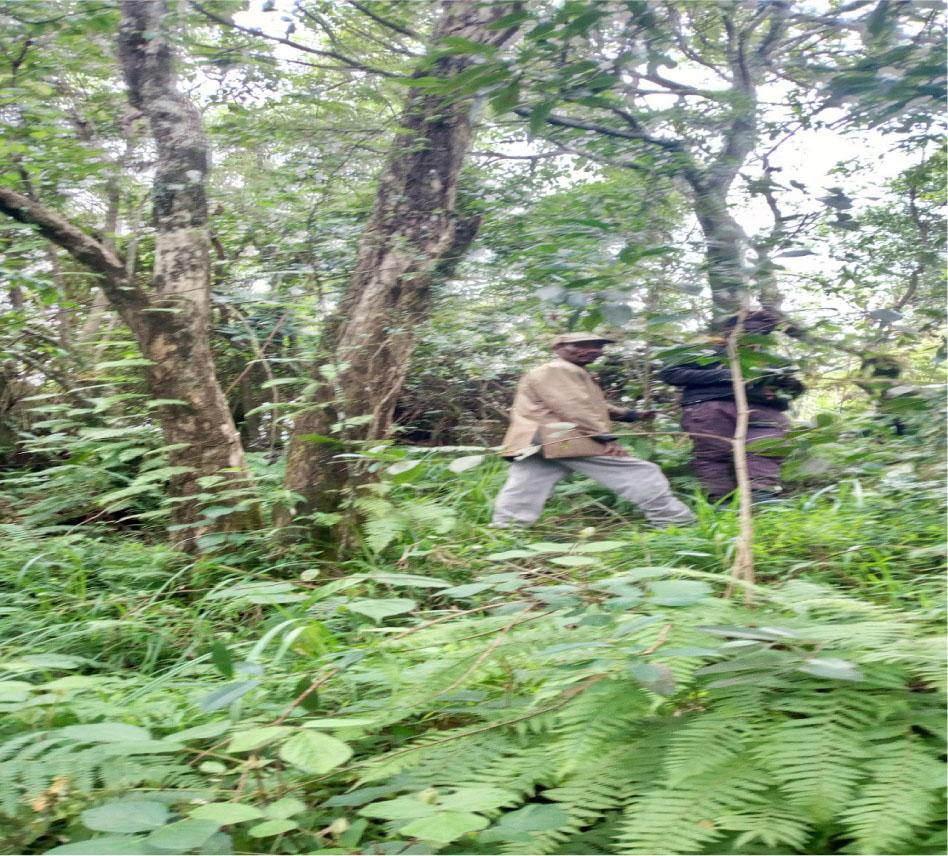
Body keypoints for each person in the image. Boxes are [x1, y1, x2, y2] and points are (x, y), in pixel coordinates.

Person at [490, 332, 695, 528]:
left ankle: (508, 527)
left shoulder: (565, 370)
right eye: (581, 345)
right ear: (558, 347)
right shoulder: (558, 369)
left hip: (534, 437)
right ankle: (675, 521)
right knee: (639, 471)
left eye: (598, 346)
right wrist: (603, 437)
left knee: (529, 481)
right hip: (559, 436)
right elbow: (573, 407)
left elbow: (587, 404)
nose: (592, 350)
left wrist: (629, 414)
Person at [659, 309, 805, 502]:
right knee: (714, 454)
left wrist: (788, 385)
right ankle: (721, 500)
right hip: (712, 406)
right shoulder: (706, 351)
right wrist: (728, 375)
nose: (754, 337)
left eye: (762, 332)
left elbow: (794, 389)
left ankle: (763, 497)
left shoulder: (774, 360)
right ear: (730, 330)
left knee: (766, 449)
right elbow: (670, 373)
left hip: (764, 410)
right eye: (748, 330)